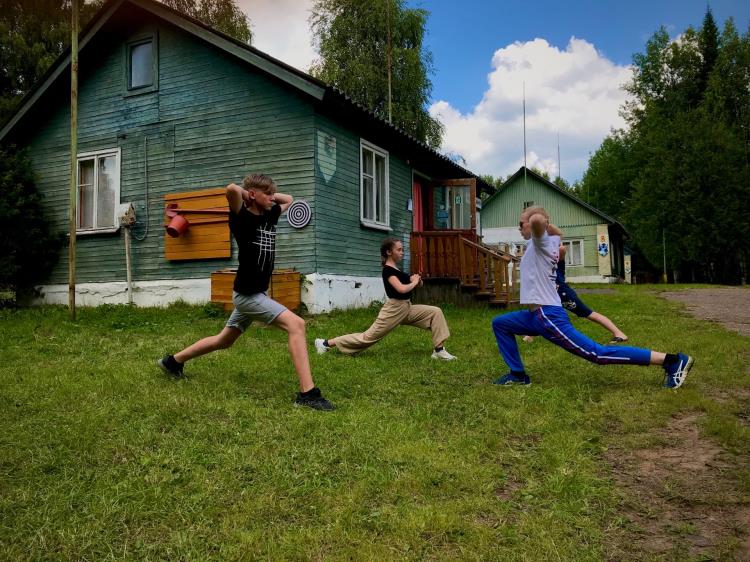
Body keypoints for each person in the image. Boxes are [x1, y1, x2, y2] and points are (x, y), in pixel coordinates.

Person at [158, 174, 335, 411]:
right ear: (252, 195)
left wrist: (266, 195)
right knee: (297, 325)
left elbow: (289, 199)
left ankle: (173, 362)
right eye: (267, 194)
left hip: (256, 294)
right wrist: (249, 195)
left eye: (272, 194)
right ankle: (308, 394)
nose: (272, 198)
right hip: (247, 296)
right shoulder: (241, 218)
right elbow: (231, 188)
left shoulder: (270, 214)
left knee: (224, 340)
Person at [492, 206, 694, 388]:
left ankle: (672, 361)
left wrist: (538, 219)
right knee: (501, 323)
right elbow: (555, 232)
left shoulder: (541, 242)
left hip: (547, 316)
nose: (519, 228)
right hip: (534, 316)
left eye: (521, 224)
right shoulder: (547, 241)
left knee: (597, 354)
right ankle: (517, 375)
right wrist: (542, 223)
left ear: (535, 225)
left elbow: (537, 220)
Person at [315, 238, 457, 360]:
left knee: (435, 312)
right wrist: (413, 283)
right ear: (389, 252)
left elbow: (414, 284)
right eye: (399, 250)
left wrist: (417, 281)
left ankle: (439, 350)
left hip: (406, 307)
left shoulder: (397, 270)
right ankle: (325, 343)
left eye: (402, 250)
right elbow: (401, 289)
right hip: (394, 309)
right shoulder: (388, 271)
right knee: (367, 337)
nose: (402, 252)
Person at [522, 244, 628, 344]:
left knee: (588, 313)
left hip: (563, 294)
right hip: (548, 297)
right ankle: (529, 335)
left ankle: (619, 333)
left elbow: (562, 249)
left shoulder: (555, 262)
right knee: (537, 313)